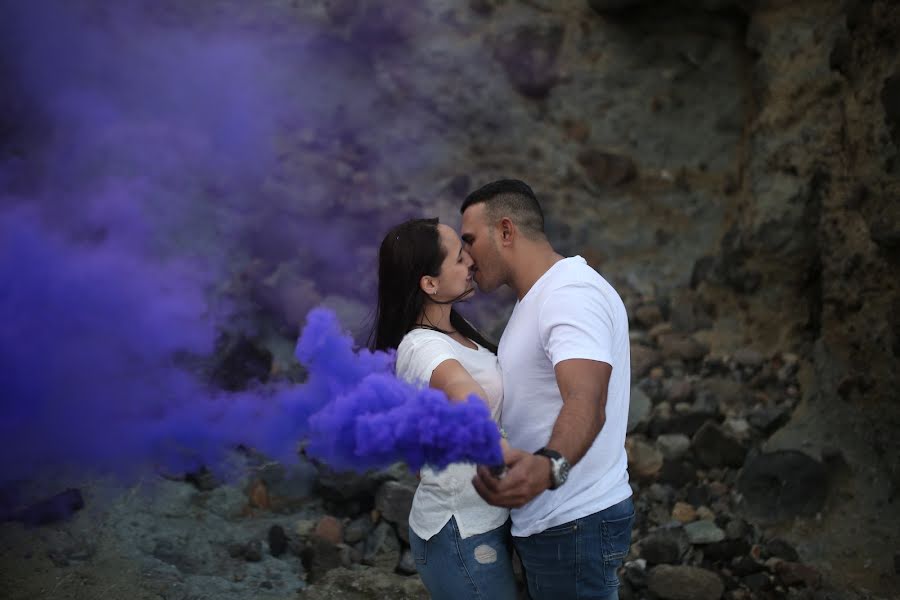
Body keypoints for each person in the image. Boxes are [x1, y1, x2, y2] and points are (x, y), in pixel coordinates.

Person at [462, 179, 634, 600]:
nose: (465, 257)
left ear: (506, 231)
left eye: (469, 240)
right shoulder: (536, 299)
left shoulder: (569, 293)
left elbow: (586, 400)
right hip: (555, 522)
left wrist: (549, 466)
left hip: (574, 521)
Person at [370, 217, 518, 600]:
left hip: (481, 520)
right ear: (429, 284)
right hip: (459, 533)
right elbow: (462, 390)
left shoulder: (457, 333)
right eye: (457, 258)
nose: (470, 260)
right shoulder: (422, 347)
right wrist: (504, 450)